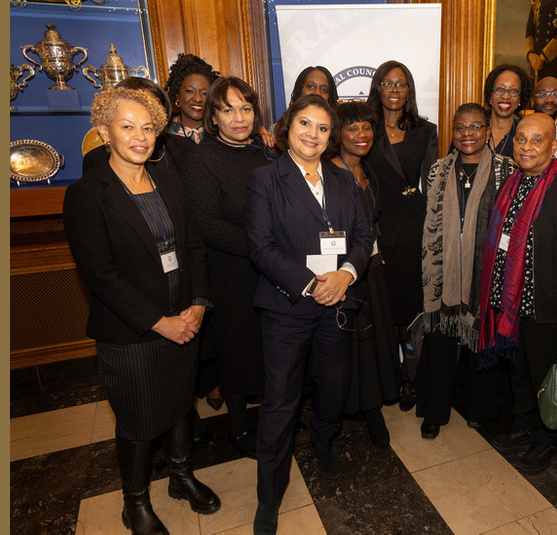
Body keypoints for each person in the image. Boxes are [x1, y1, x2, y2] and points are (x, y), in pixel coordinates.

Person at [63, 88, 220, 534]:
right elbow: (101, 275)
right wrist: (160, 322)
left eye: (148, 127)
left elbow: (191, 246)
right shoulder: (86, 195)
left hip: (184, 321)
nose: (140, 137)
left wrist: (197, 304)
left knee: (177, 407)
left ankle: (181, 476)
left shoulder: (168, 181)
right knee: (137, 421)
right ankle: (134, 504)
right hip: (132, 336)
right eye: (127, 126)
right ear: (104, 132)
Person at [246, 94, 371, 534]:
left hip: (337, 304)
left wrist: (347, 275)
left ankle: (323, 441)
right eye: (304, 124)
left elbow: (362, 233)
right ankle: (268, 495)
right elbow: (260, 247)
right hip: (288, 306)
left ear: (330, 136)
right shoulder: (266, 179)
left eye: (321, 128)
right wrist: (311, 283)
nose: (312, 134)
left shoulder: (342, 180)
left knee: (334, 385)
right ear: (288, 127)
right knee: (280, 402)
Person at [479, 112, 557, 475]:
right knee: (520, 372)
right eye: (520, 139)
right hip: (510, 304)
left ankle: (548, 438)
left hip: (547, 305)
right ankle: (524, 425)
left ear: (554, 145)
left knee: (547, 377)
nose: (526, 146)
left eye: (536, 139)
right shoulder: (511, 183)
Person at [181, 76, 278, 460]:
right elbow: (205, 224)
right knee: (237, 349)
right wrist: (263, 248)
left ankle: (276, 414)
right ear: (214, 117)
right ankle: (239, 426)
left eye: (246, 108)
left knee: (272, 345)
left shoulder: (266, 153)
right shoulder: (202, 159)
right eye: (227, 110)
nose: (238, 118)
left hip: (271, 269)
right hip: (230, 272)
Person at [417, 103, 518, 439]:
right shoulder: (437, 170)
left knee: (481, 341)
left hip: (486, 271)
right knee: (440, 345)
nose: (467, 134)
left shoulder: (507, 169)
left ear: (488, 131)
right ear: (453, 133)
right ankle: (434, 413)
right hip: (442, 273)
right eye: (460, 128)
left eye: (476, 127)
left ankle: (481, 409)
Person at [365, 60, 438, 411]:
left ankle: (411, 377)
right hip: (376, 227)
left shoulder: (425, 130)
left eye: (401, 84)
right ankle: (388, 375)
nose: (394, 90)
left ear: (409, 91)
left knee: (410, 310)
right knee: (383, 307)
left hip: (412, 228)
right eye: (387, 83)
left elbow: (433, 184)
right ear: (377, 88)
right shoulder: (364, 129)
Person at [330, 101, 401, 448]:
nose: (361, 135)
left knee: (372, 343)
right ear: (337, 133)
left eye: (367, 127)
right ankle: (347, 410)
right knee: (347, 346)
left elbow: (374, 220)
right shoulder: (329, 173)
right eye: (353, 128)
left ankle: (371, 406)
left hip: (370, 267)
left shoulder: (368, 170)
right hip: (342, 273)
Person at [83, 76, 193, 181]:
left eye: (153, 105)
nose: (146, 111)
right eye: (127, 127)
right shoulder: (96, 159)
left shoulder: (184, 147)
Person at [164, 53, 220, 144]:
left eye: (204, 93)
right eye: (190, 91)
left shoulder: (221, 131)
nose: (197, 99)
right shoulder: (162, 134)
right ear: (177, 96)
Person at [483, 64, 532, 159]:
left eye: (513, 91)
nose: (506, 96)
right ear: (490, 95)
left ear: (520, 98)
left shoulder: (527, 135)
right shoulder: (472, 128)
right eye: (500, 89)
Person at [525, 0, 557, 83]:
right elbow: (530, 29)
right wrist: (531, 54)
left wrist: (543, 57)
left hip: (554, 65)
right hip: (534, 64)